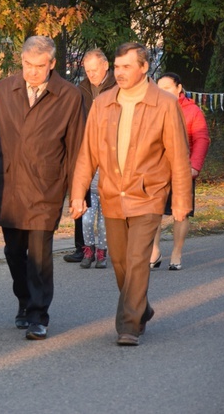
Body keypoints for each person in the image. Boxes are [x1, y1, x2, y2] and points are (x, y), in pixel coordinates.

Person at [71, 42, 192, 346]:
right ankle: (142, 308)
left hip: (148, 195)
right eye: (117, 66)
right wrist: (77, 195)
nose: (120, 73)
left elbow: (179, 157)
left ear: (143, 67)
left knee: (138, 258)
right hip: (111, 194)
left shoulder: (164, 104)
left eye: (127, 66)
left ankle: (128, 325)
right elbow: (87, 154)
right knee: (121, 263)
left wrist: (180, 202)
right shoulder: (103, 103)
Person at [0, 35, 86, 341]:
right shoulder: (5, 90)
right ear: (21, 61)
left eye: (39, 66)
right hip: (10, 185)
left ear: (52, 64)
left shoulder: (69, 96)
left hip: (47, 188)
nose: (32, 72)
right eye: (27, 65)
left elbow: (76, 149)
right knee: (13, 251)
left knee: (39, 255)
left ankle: (38, 315)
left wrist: (77, 193)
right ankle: (24, 299)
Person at [150, 72, 210, 270]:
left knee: (181, 213)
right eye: (159, 88)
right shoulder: (154, 108)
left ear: (179, 88)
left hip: (183, 170)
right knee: (154, 212)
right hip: (157, 169)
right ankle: (154, 251)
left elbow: (201, 139)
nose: (162, 92)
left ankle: (176, 252)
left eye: (167, 88)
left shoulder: (192, 111)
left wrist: (194, 166)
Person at [64, 48, 117, 265]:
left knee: (108, 202)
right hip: (84, 147)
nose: (91, 74)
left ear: (105, 66)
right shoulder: (81, 88)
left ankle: (108, 247)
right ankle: (82, 247)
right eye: (87, 70)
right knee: (80, 196)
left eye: (94, 70)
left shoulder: (117, 86)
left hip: (110, 150)